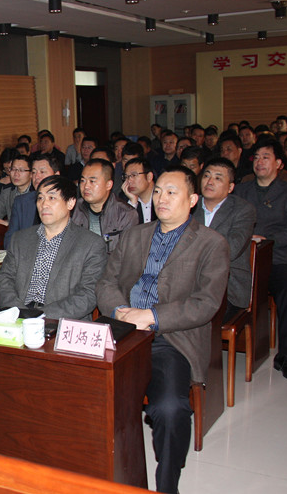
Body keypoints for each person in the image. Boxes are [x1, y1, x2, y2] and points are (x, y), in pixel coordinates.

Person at [96, 166, 229, 494]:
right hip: (121, 329)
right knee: (73, 383)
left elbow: (205, 304)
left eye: (172, 192)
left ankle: (168, 485)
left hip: (169, 338)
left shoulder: (211, 243)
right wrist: (120, 311)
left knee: (170, 409)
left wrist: (151, 316)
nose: (161, 199)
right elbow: (106, 282)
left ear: (192, 199)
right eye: (157, 192)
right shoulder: (134, 235)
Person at [235, 138, 287, 381]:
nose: (259, 162)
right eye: (256, 157)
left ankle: (286, 354)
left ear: (278, 163)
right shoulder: (241, 190)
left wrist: (267, 240)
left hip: (275, 256)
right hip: (242, 258)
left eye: (266, 157)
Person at [0, 175, 107, 320]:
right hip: (18, 316)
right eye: (40, 198)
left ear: (70, 203)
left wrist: (40, 316)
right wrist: (18, 312)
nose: (44, 204)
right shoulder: (20, 239)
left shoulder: (91, 244)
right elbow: (4, 279)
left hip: (60, 321)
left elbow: (88, 294)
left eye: (52, 198)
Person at [193, 158, 255, 322]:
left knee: (197, 316)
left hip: (228, 286)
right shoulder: (189, 205)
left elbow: (231, 249)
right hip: (187, 282)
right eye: (207, 176)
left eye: (218, 178)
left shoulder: (243, 210)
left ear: (230, 187)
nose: (210, 182)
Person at [71, 159, 138, 256]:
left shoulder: (126, 214)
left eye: (92, 181)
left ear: (108, 185)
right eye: (82, 181)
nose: (86, 186)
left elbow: (127, 256)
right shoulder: (72, 209)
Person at [4, 153, 60, 249]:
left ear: (56, 175)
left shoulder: (66, 202)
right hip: (24, 255)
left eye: (42, 172)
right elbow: (10, 240)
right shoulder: (21, 202)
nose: (37, 176)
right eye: (34, 172)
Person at [0, 154, 32, 225]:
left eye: (21, 170)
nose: (16, 174)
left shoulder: (37, 194)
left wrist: (7, 224)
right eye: (13, 169)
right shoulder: (7, 192)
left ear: (31, 174)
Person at [121, 158, 156, 224]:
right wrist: (132, 203)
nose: (129, 180)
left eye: (134, 175)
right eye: (126, 177)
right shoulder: (123, 200)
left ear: (149, 177)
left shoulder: (162, 197)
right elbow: (123, 228)